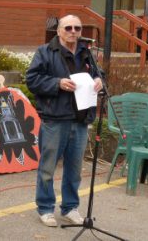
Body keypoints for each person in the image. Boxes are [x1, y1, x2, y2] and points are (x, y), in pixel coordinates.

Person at [25, 15, 102, 227]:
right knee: (48, 168)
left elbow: (98, 74)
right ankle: (45, 208)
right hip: (55, 119)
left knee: (74, 170)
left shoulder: (86, 53)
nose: (73, 31)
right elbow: (32, 79)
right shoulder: (45, 52)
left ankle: (70, 208)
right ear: (59, 30)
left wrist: (99, 81)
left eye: (77, 28)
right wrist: (57, 83)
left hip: (80, 119)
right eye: (68, 27)